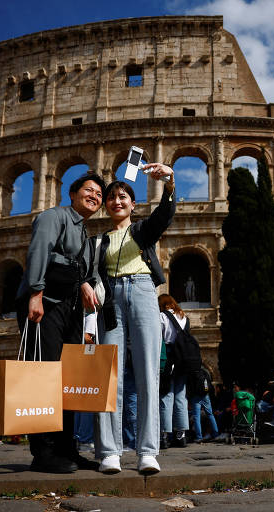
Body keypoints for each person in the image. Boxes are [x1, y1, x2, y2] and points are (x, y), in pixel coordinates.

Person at [15, 172, 105, 473]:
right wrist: (35, 294)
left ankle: (68, 448)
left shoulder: (85, 232)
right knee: (44, 375)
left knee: (68, 382)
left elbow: (83, 272)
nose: (94, 196)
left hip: (70, 310)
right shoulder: (53, 217)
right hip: (46, 304)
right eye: (88, 190)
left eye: (99, 194)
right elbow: (39, 252)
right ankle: (43, 452)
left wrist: (86, 285)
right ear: (73, 193)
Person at [93, 163, 176, 475]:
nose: (117, 200)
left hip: (142, 291)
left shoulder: (142, 230)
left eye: (123, 196)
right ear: (106, 205)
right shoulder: (99, 241)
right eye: (112, 197)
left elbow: (164, 215)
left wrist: (168, 181)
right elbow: (90, 274)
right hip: (111, 300)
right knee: (108, 375)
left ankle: (147, 452)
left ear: (133, 203)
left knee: (147, 373)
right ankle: (109, 452)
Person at [158, 294, 189, 449]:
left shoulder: (161, 316)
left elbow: (160, 339)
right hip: (183, 359)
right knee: (181, 397)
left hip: (169, 357)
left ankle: (164, 435)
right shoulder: (183, 316)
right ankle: (181, 435)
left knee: (166, 395)